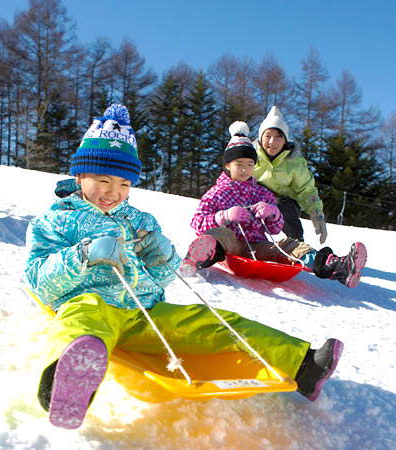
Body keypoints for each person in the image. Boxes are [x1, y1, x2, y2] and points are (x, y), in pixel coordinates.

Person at [26, 104, 344, 430]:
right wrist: (83, 254)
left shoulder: (139, 221)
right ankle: (64, 386)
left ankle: (303, 364)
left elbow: (158, 283)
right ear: (80, 176)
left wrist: (162, 260)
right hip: (90, 307)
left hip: (143, 313)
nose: (113, 192)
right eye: (103, 180)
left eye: (124, 184)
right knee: (84, 318)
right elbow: (37, 280)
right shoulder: (56, 221)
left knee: (212, 322)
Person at [181, 121, 367, 289]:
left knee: (290, 244)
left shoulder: (262, 193)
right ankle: (198, 258)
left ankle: (336, 266)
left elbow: (276, 228)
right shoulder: (217, 193)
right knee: (221, 234)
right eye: (239, 164)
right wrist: (224, 216)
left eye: (250, 164)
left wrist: (273, 213)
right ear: (228, 165)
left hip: (258, 245)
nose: (245, 169)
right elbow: (197, 222)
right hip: (232, 245)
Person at [253, 106, 325, 244]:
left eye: (278, 137)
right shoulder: (251, 157)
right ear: (261, 137)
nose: (272, 142)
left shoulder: (294, 163)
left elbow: (306, 189)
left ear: (285, 140)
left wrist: (317, 214)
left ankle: (297, 244)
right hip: (255, 200)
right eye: (268, 136)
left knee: (282, 205)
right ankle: (239, 239)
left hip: (283, 204)